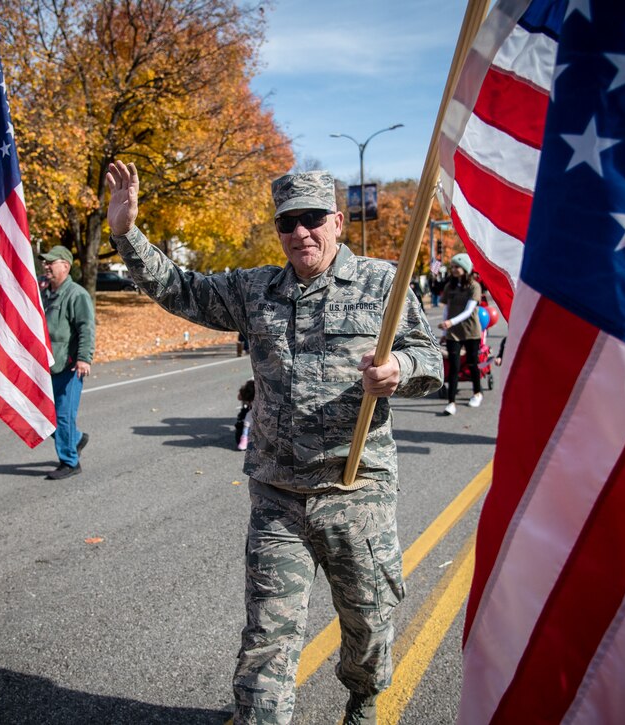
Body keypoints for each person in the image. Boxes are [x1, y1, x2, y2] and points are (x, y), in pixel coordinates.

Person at [105, 161, 442, 725]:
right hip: (279, 498)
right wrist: (125, 233)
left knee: (368, 623)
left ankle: (363, 698)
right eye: (288, 223)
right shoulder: (256, 289)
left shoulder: (385, 282)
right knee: (267, 637)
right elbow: (180, 288)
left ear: (337, 220)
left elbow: (430, 356)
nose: (300, 233)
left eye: (312, 219)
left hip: (355, 494)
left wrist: (401, 368)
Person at [39, 245, 95, 480]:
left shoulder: (77, 294)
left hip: (69, 366)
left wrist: (84, 358)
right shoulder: (43, 293)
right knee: (42, 416)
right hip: (45, 367)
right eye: (45, 262)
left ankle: (70, 462)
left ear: (65, 266)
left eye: (51, 262)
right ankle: (75, 438)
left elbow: (86, 328)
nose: (46, 266)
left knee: (62, 416)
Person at [437, 252, 483, 415]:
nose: (454, 269)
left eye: (457, 266)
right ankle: (451, 403)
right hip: (453, 333)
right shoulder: (450, 286)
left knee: (472, 363)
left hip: (471, 331)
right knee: (454, 367)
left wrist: (451, 322)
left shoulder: (474, 286)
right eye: (453, 267)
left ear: (465, 268)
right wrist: (446, 329)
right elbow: (447, 309)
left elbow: (469, 310)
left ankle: (477, 393)